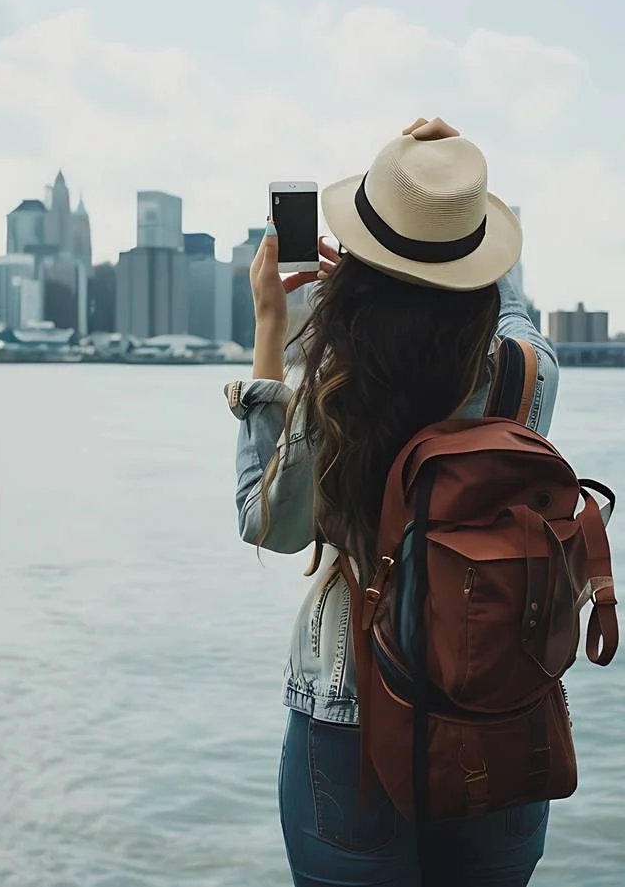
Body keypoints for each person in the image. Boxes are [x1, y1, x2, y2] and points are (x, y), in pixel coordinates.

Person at [226, 117, 560, 886]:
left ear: (360, 268)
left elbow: (267, 523)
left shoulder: (338, 392)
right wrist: (458, 195)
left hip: (351, 713)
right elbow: (513, 310)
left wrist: (271, 327)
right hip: (498, 710)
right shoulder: (526, 376)